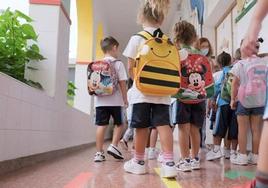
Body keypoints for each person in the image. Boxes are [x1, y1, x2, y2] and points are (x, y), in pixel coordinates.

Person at [122, 0, 177, 178]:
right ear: (161, 19)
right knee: (163, 125)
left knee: (141, 127)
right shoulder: (168, 41)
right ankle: (169, 163)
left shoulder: (137, 38)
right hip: (163, 92)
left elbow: (130, 67)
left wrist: (139, 82)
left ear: (141, 17)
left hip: (142, 92)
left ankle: (138, 162)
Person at [238, 0, 268, 187]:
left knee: (243, 129)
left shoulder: (240, 64)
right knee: (257, 129)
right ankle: (256, 155)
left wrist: (255, 23)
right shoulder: (263, 64)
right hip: (259, 101)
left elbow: (234, 83)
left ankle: (242, 156)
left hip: (244, 101)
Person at [173, 21, 206, 172]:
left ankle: (185, 160)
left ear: (177, 38)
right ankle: (195, 159)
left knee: (183, 128)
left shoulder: (178, 54)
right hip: (200, 96)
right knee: (195, 129)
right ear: (194, 37)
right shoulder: (200, 54)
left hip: (182, 96)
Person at [93, 37, 128, 162]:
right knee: (120, 123)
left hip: (100, 101)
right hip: (116, 101)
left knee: (101, 125)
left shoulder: (97, 64)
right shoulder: (118, 63)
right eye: (117, 49)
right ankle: (113, 145)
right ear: (114, 47)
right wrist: (125, 99)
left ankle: (98, 153)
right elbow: (123, 83)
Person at [206, 52, 238, 161]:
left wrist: (213, 101)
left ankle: (216, 150)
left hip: (223, 104)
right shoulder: (235, 70)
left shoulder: (219, 73)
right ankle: (232, 152)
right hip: (235, 104)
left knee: (220, 127)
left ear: (219, 64)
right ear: (230, 61)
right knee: (233, 127)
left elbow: (216, 89)